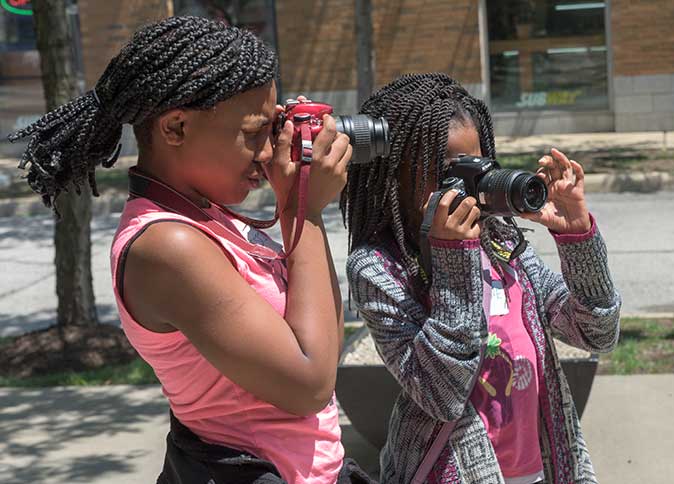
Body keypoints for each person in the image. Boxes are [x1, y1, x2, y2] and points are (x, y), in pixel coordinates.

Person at [10, 16, 373, 484]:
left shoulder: (207, 215)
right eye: (254, 131)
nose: (269, 151)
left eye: (275, 126)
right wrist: (302, 208)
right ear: (176, 128)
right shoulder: (167, 245)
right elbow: (309, 382)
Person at [341, 73, 621, 484]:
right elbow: (442, 393)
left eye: (479, 166)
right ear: (395, 175)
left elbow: (597, 334)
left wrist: (576, 235)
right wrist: (455, 261)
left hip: (542, 468)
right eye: (450, 171)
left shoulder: (502, 242)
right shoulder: (379, 269)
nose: (470, 187)